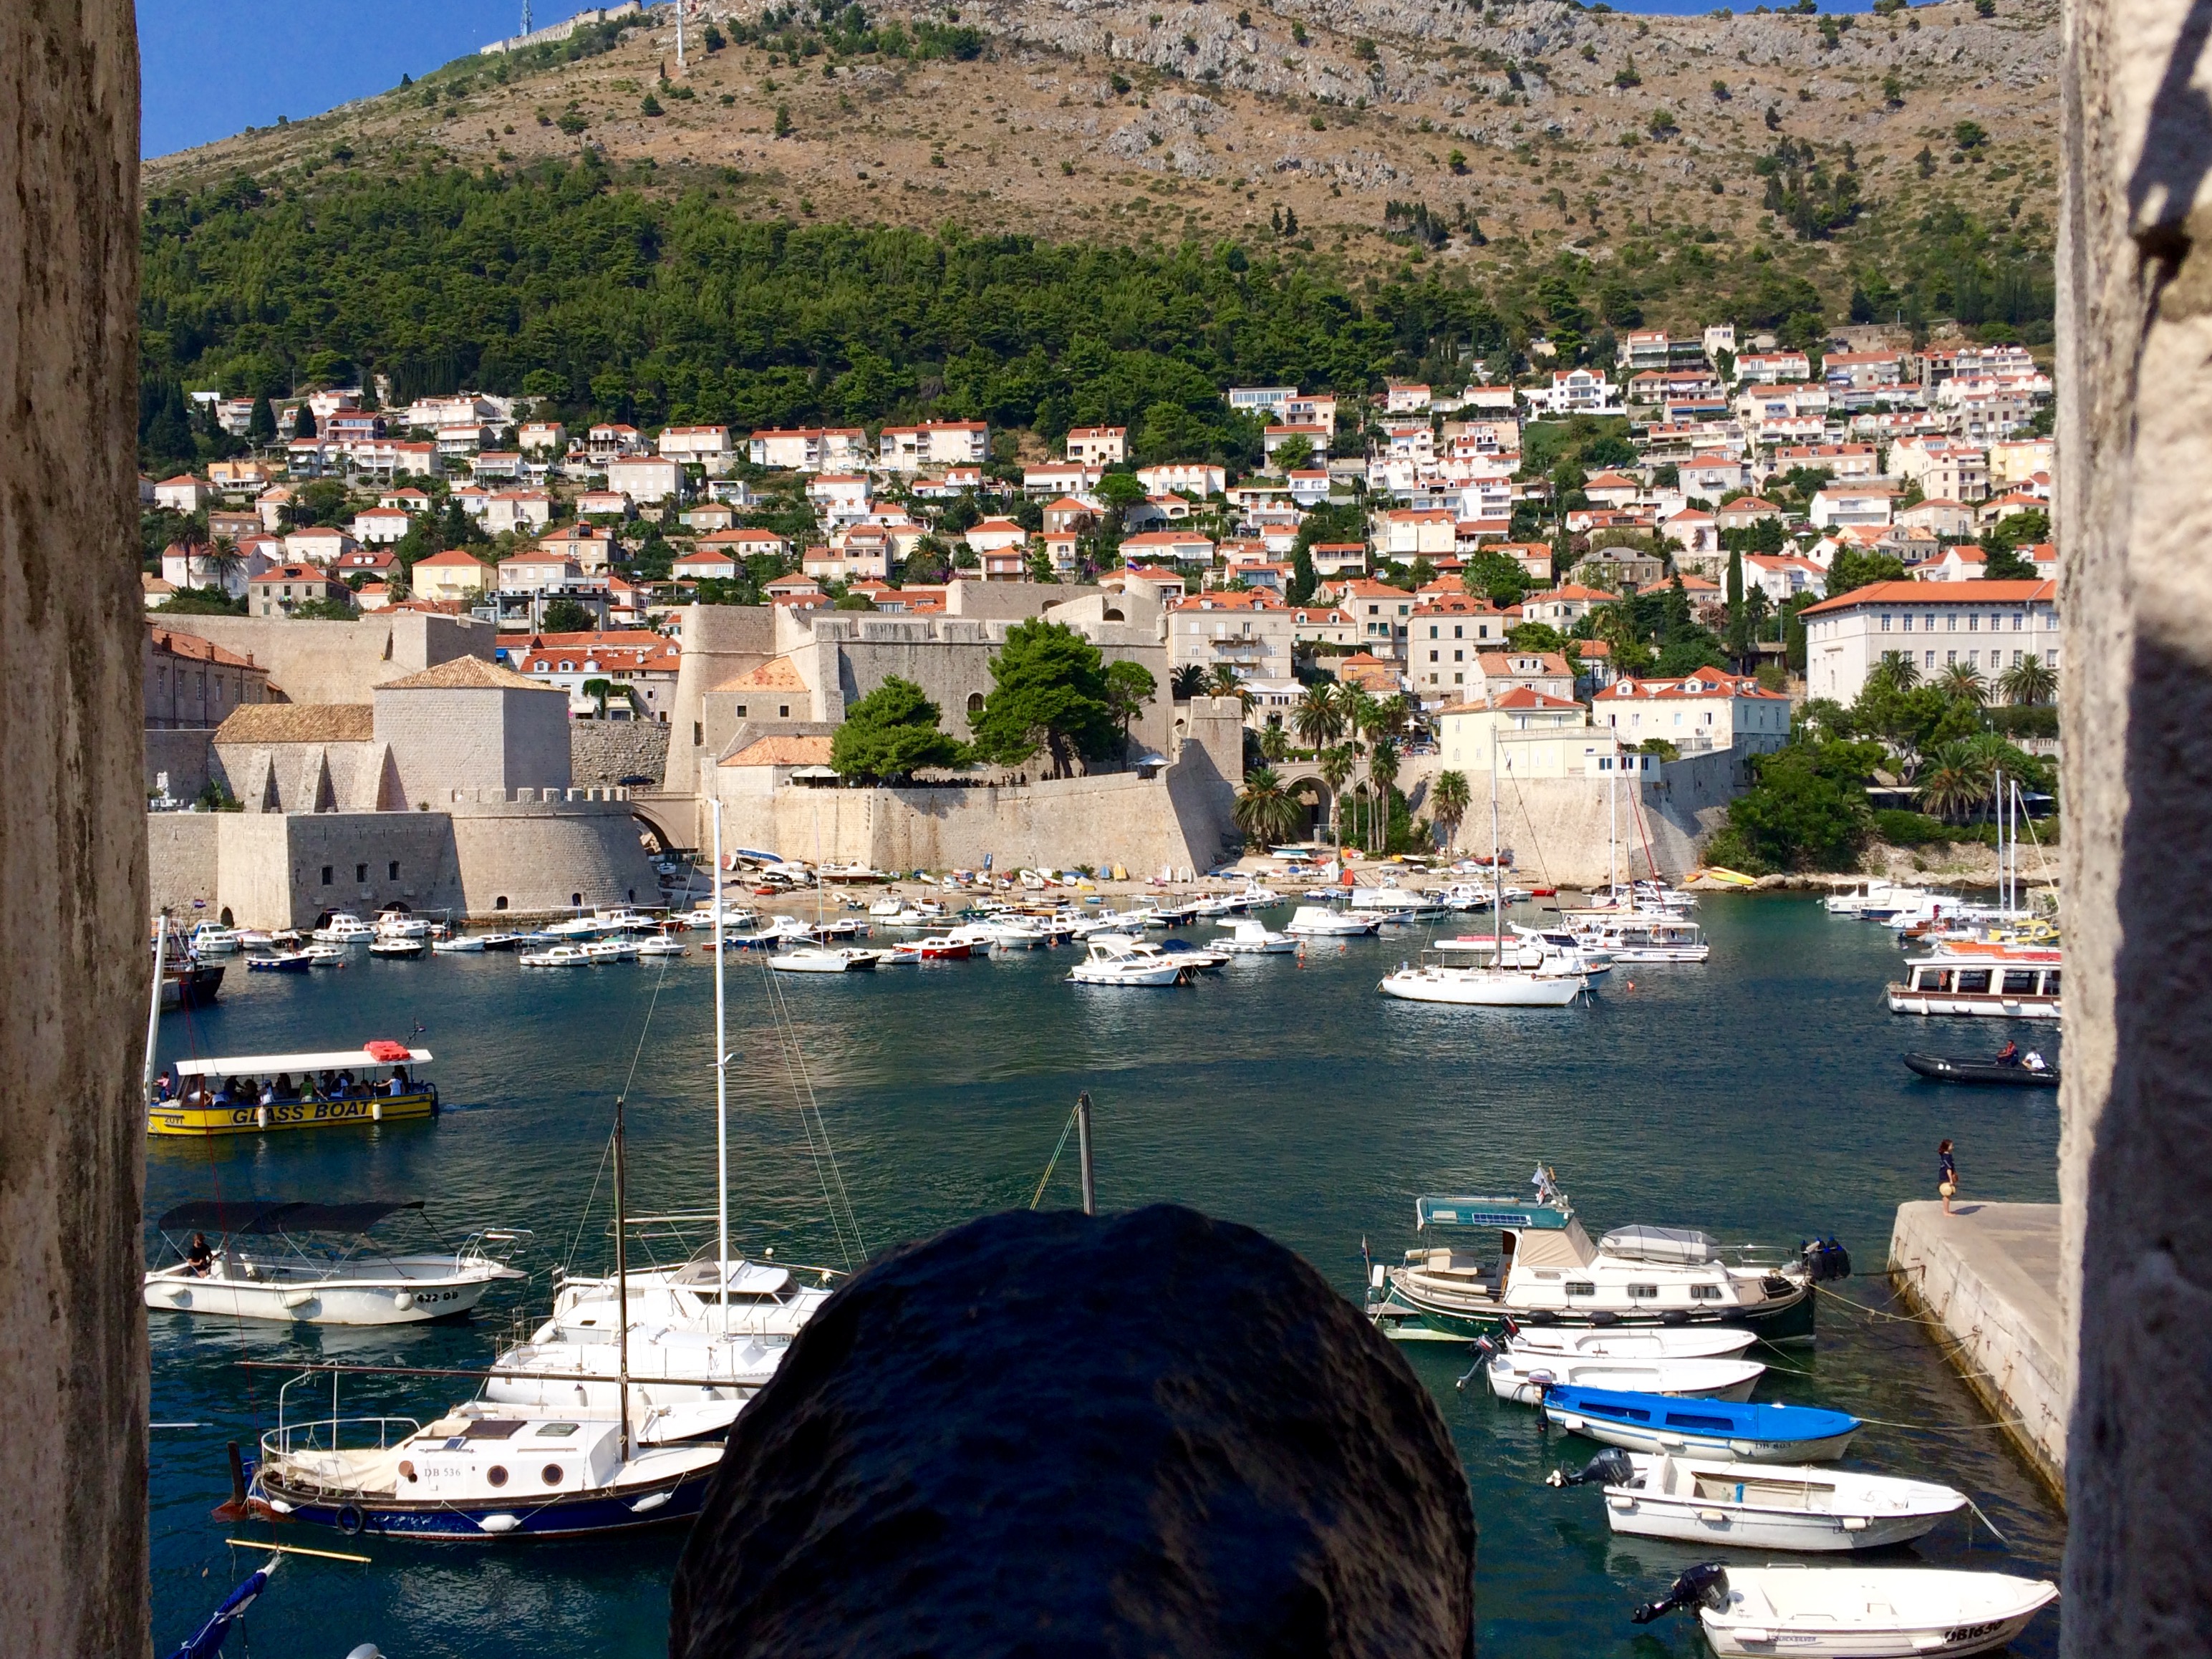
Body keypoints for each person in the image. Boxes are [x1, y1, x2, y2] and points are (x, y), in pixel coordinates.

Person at [1938, 1139, 1959, 1215]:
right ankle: (1946, 1212)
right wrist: (1951, 1180)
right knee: (1947, 1193)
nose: (1953, 1147)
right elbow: (1948, 1169)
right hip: (1946, 1177)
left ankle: (1946, 1210)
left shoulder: (1944, 1155)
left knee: (1946, 1194)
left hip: (1942, 1175)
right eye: (1951, 1146)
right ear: (1947, 1147)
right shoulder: (1947, 1157)